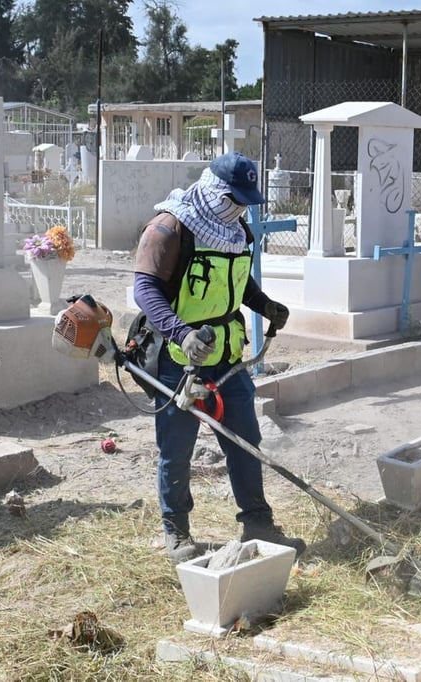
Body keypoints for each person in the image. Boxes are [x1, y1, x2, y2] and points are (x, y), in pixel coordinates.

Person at [133, 151, 306, 563]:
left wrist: (264, 304)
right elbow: (145, 289)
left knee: (246, 440)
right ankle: (176, 531)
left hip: (227, 355)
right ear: (213, 190)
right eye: (234, 199)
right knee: (177, 449)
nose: (241, 207)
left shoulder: (236, 230)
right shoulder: (169, 229)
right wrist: (182, 333)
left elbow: (236, 281)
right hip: (180, 359)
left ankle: (258, 522)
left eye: (246, 200)